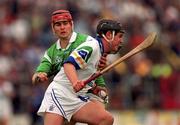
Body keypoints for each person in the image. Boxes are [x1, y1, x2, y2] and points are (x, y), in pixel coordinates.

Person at [36, 13, 125, 125]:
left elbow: (85, 73)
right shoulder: (92, 47)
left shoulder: (99, 51)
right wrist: (75, 83)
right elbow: (68, 65)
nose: (121, 41)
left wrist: (94, 88)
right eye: (119, 37)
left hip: (75, 97)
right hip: (59, 94)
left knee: (106, 119)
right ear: (109, 35)